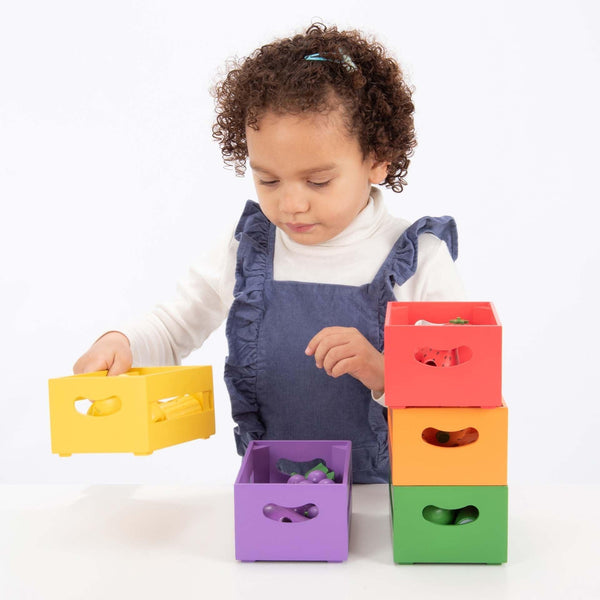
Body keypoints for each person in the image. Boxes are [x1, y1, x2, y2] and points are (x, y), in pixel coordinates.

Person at [73, 22, 466, 483]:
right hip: (281, 500)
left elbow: (459, 387)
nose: (290, 203)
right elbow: (174, 325)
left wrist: (384, 373)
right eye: (269, 180)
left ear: (377, 158)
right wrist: (122, 342)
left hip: (390, 503)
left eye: (318, 181)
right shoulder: (249, 250)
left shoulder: (416, 258)